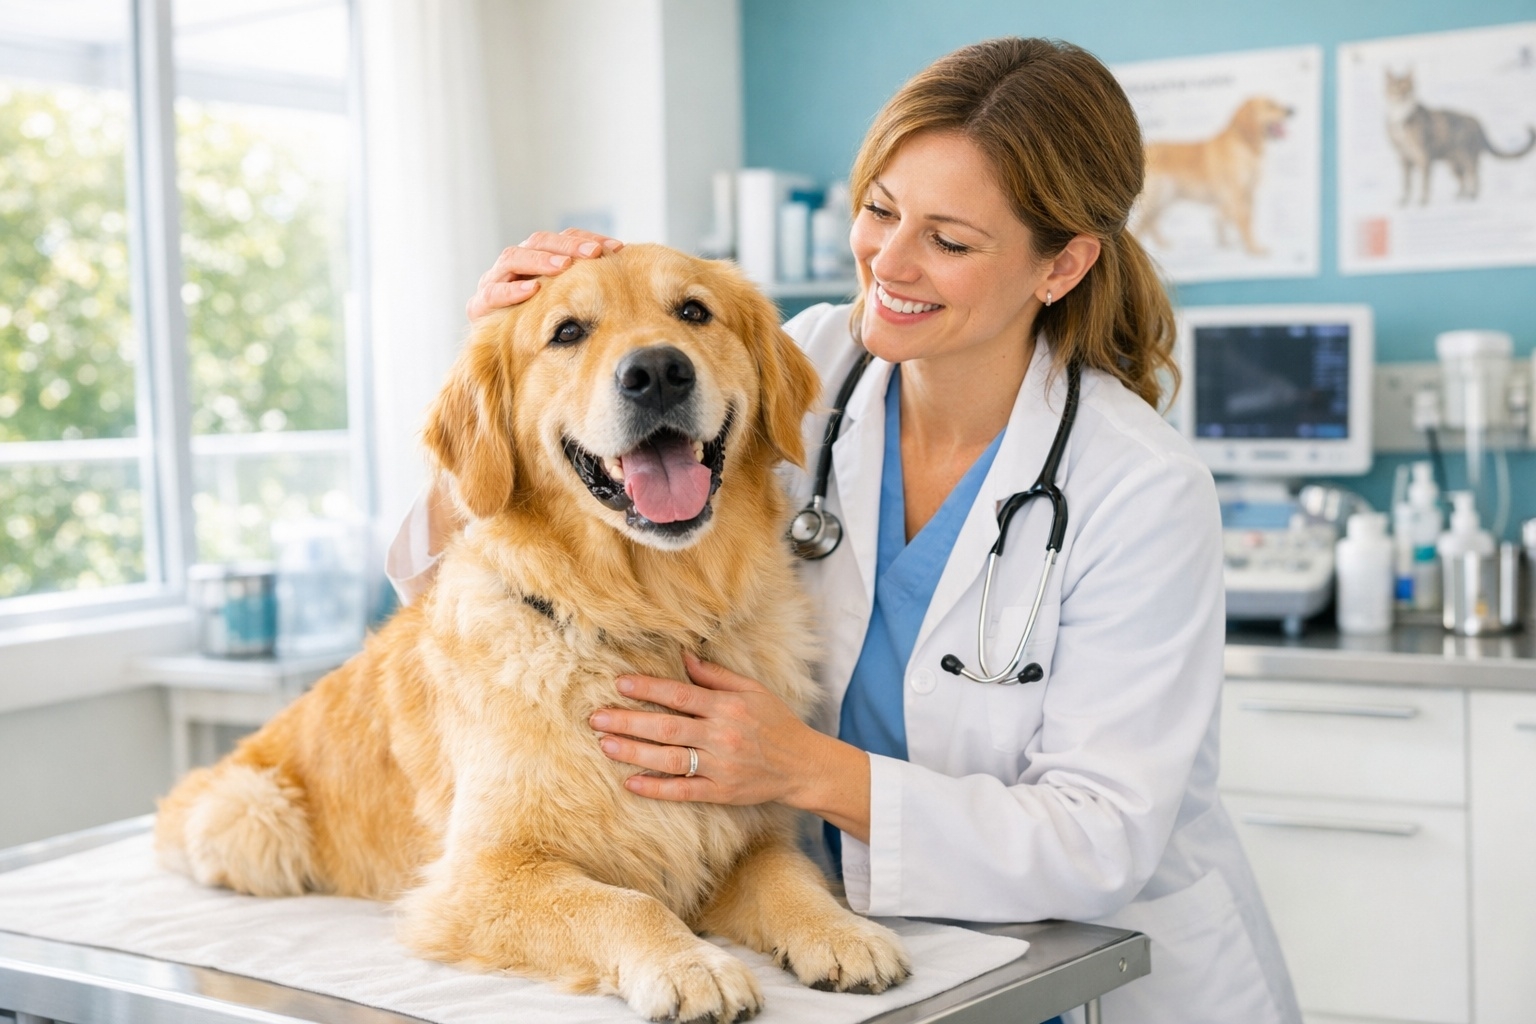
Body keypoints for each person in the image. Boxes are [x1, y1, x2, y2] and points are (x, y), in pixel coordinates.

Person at [391, 37, 1302, 1024]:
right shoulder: (808, 360)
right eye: (879, 209)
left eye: (950, 241)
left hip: (1091, 978)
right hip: (858, 960)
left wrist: (799, 766)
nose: (892, 264)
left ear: (1063, 264)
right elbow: (446, 566)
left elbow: (1098, 842)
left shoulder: (1139, 487)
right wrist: (513, 374)